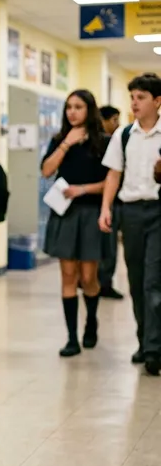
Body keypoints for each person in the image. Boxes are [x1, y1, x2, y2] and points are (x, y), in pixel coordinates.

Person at [99, 73, 161, 374]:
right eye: (132, 97)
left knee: (153, 281)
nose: (134, 103)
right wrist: (105, 208)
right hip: (131, 213)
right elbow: (113, 175)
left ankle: (154, 349)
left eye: (141, 98)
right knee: (136, 281)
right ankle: (144, 340)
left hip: (159, 211)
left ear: (157, 101)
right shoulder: (123, 135)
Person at [41, 90, 108, 357]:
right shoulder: (60, 140)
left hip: (90, 212)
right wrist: (67, 144)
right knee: (68, 275)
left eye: (78, 107)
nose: (72, 111)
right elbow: (46, 170)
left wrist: (82, 189)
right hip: (65, 214)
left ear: (89, 110)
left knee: (88, 278)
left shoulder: (105, 141)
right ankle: (71, 337)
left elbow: (112, 181)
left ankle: (91, 321)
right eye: (69, 107)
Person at [97, 105, 124, 299]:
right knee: (106, 246)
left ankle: (103, 282)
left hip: (114, 201)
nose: (117, 124)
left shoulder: (115, 140)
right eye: (114, 120)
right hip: (101, 202)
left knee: (109, 245)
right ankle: (102, 283)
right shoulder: (105, 142)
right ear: (103, 120)